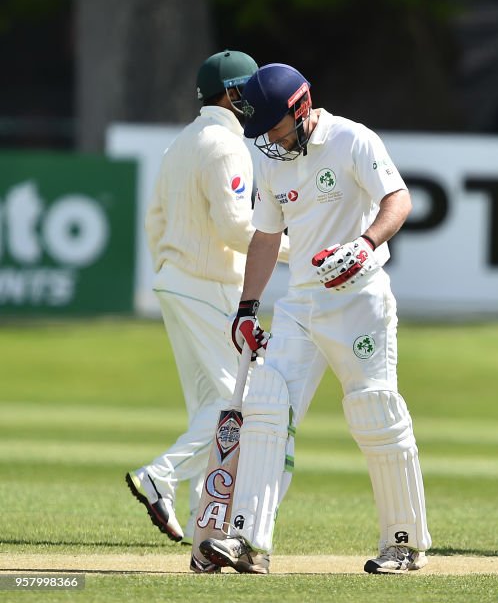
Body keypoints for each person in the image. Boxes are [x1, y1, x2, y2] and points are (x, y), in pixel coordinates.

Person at [199, 63, 430, 575]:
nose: (269, 142)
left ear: (301, 109)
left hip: (358, 299)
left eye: (275, 129)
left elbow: (399, 199)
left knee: (374, 410)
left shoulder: (353, 140)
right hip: (301, 302)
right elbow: (263, 236)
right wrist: (246, 307)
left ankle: (403, 544)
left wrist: (367, 243)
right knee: (267, 408)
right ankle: (246, 543)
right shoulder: (270, 155)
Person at [127, 50, 289, 547]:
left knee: (207, 402)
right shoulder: (225, 146)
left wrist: (169, 268)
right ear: (233, 95)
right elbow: (237, 227)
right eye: (250, 91)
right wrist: (297, 250)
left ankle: (206, 513)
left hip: (179, 282)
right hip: (207, 284)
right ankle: (161, 474)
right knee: (230, 401)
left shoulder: (183, 141)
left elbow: (155, 218)